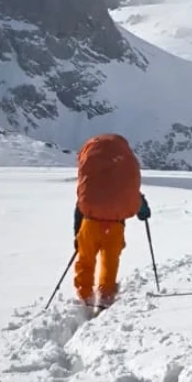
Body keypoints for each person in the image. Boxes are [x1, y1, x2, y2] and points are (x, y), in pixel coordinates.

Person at [73, 133, 151, 310]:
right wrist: (143, 212)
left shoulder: (92, 181)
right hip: (115, 225)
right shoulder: (121, 180)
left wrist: (77, 233)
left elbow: (80, 205)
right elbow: (135, 199)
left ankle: (84, 296)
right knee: (110, 261)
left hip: (90, 222)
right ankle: (105, 296)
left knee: (85, 260)